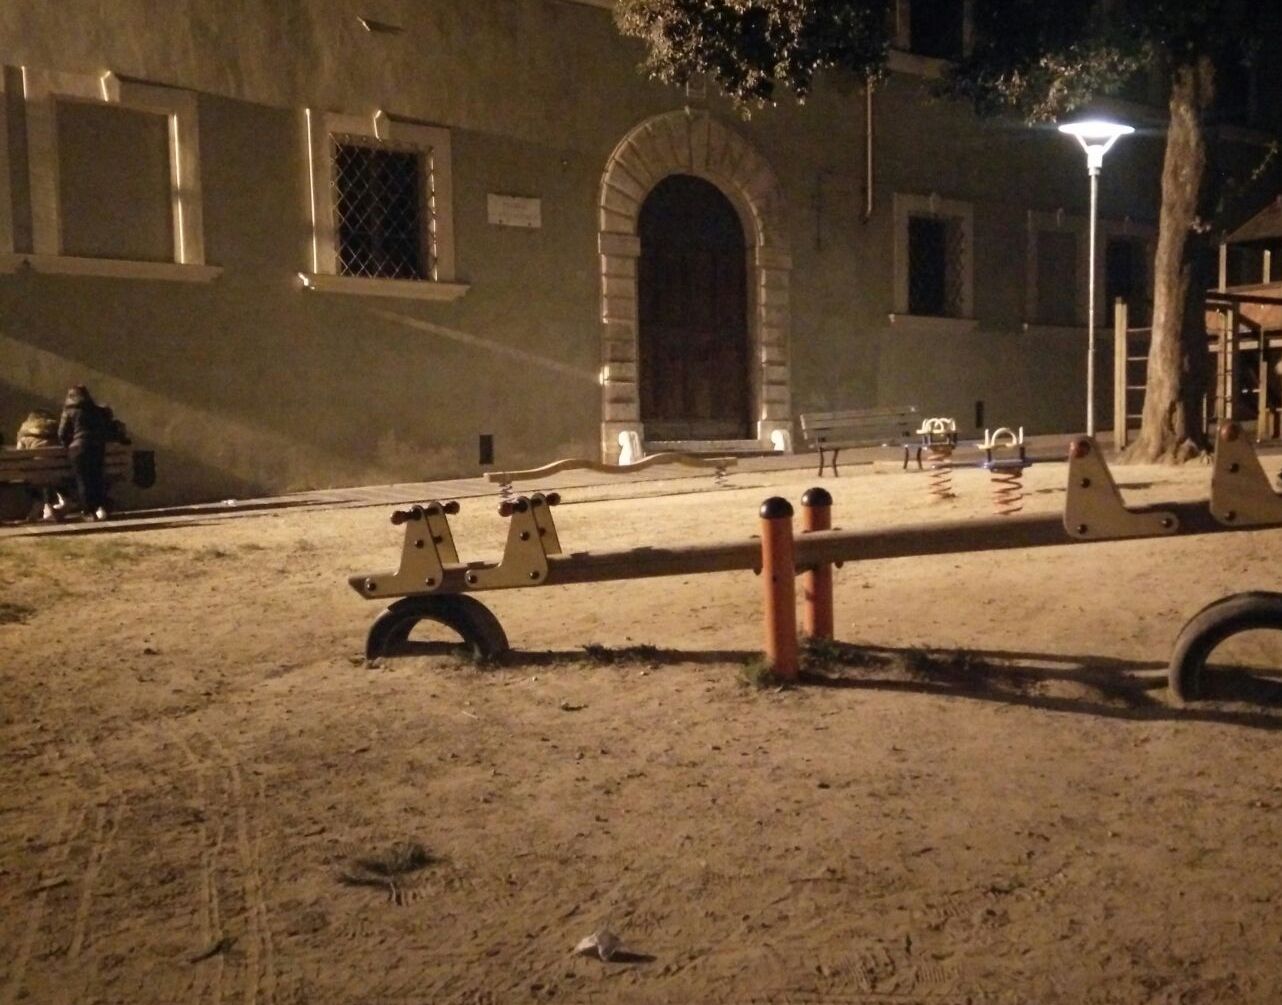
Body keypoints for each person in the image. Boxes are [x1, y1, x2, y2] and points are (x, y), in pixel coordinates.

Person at [58, 385, 112, 521]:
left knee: (83, 480)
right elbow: (106, 427)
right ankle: (100, 508)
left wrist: (67, 445)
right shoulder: (96, 410)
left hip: (78, 449)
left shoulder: (69, 411)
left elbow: (62, 433)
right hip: (97, 447)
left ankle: (88, 511)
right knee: (96, 478)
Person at [14, 409, 66, 521]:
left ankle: (40, 507)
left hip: (33, 477)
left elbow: (19, 458)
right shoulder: (55, 434)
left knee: (34, 478)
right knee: (47, 477)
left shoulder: (25, 437)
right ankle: (48, 507)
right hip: (57, 475)